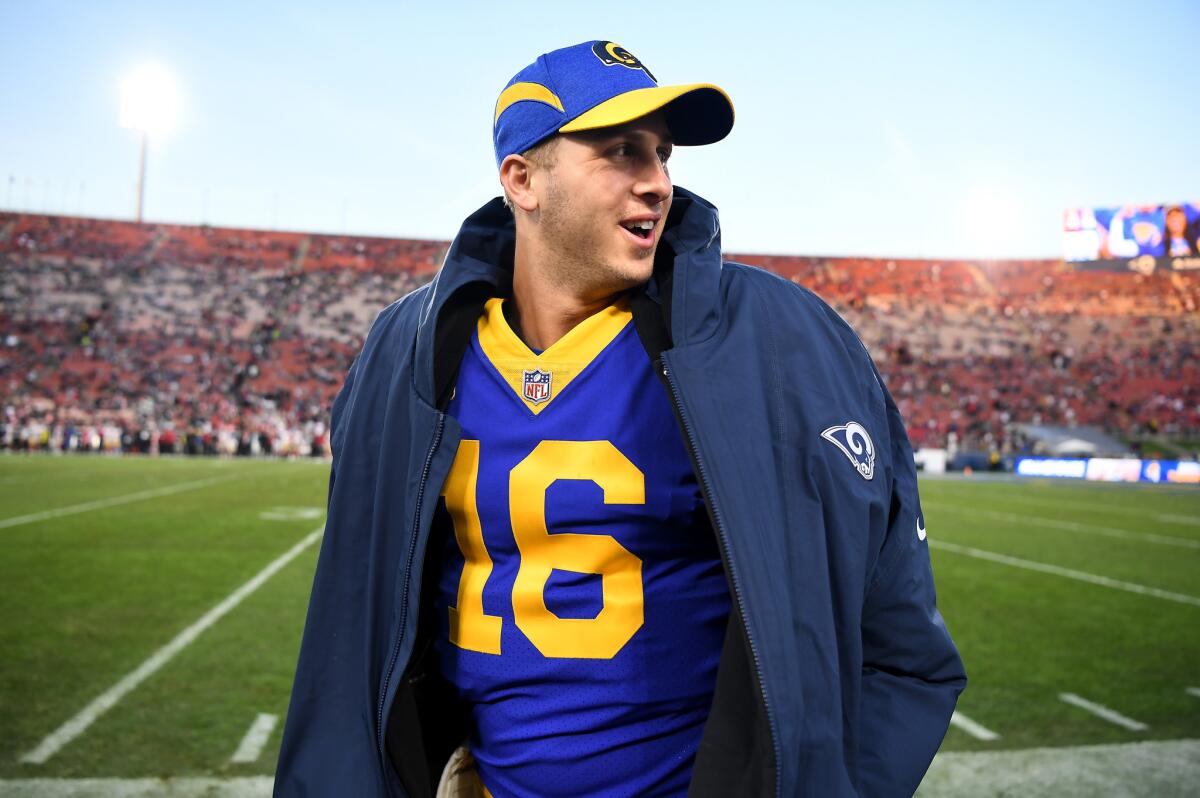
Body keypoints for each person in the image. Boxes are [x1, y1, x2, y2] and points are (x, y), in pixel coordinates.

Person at [275, 40, 965, 797]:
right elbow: (361, 622)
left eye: (664, 155)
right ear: (522, 179)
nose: (659, 184)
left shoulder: (773, 341)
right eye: (621, 152)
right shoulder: (410, 352)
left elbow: (899, 644)